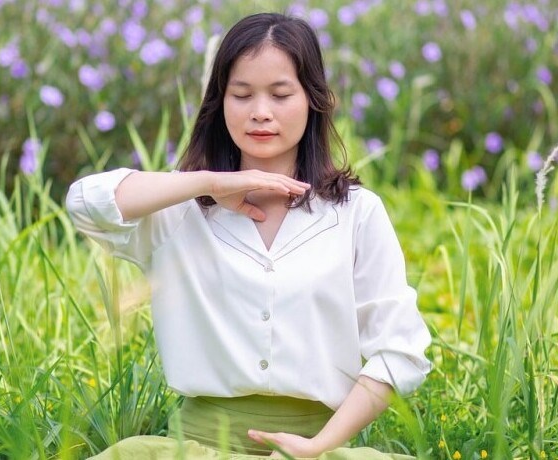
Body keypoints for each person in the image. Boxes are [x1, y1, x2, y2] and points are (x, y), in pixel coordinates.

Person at [66, 12, 432, 459]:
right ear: (220, 103)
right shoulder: (181, 210)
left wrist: (319, 445)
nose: (260, 112)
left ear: (315, 100)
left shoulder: (356, 213)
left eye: (280, 95)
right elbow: (86, 203)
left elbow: (399, 350)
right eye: (241, 95)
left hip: (317, 450)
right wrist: (209, 183)